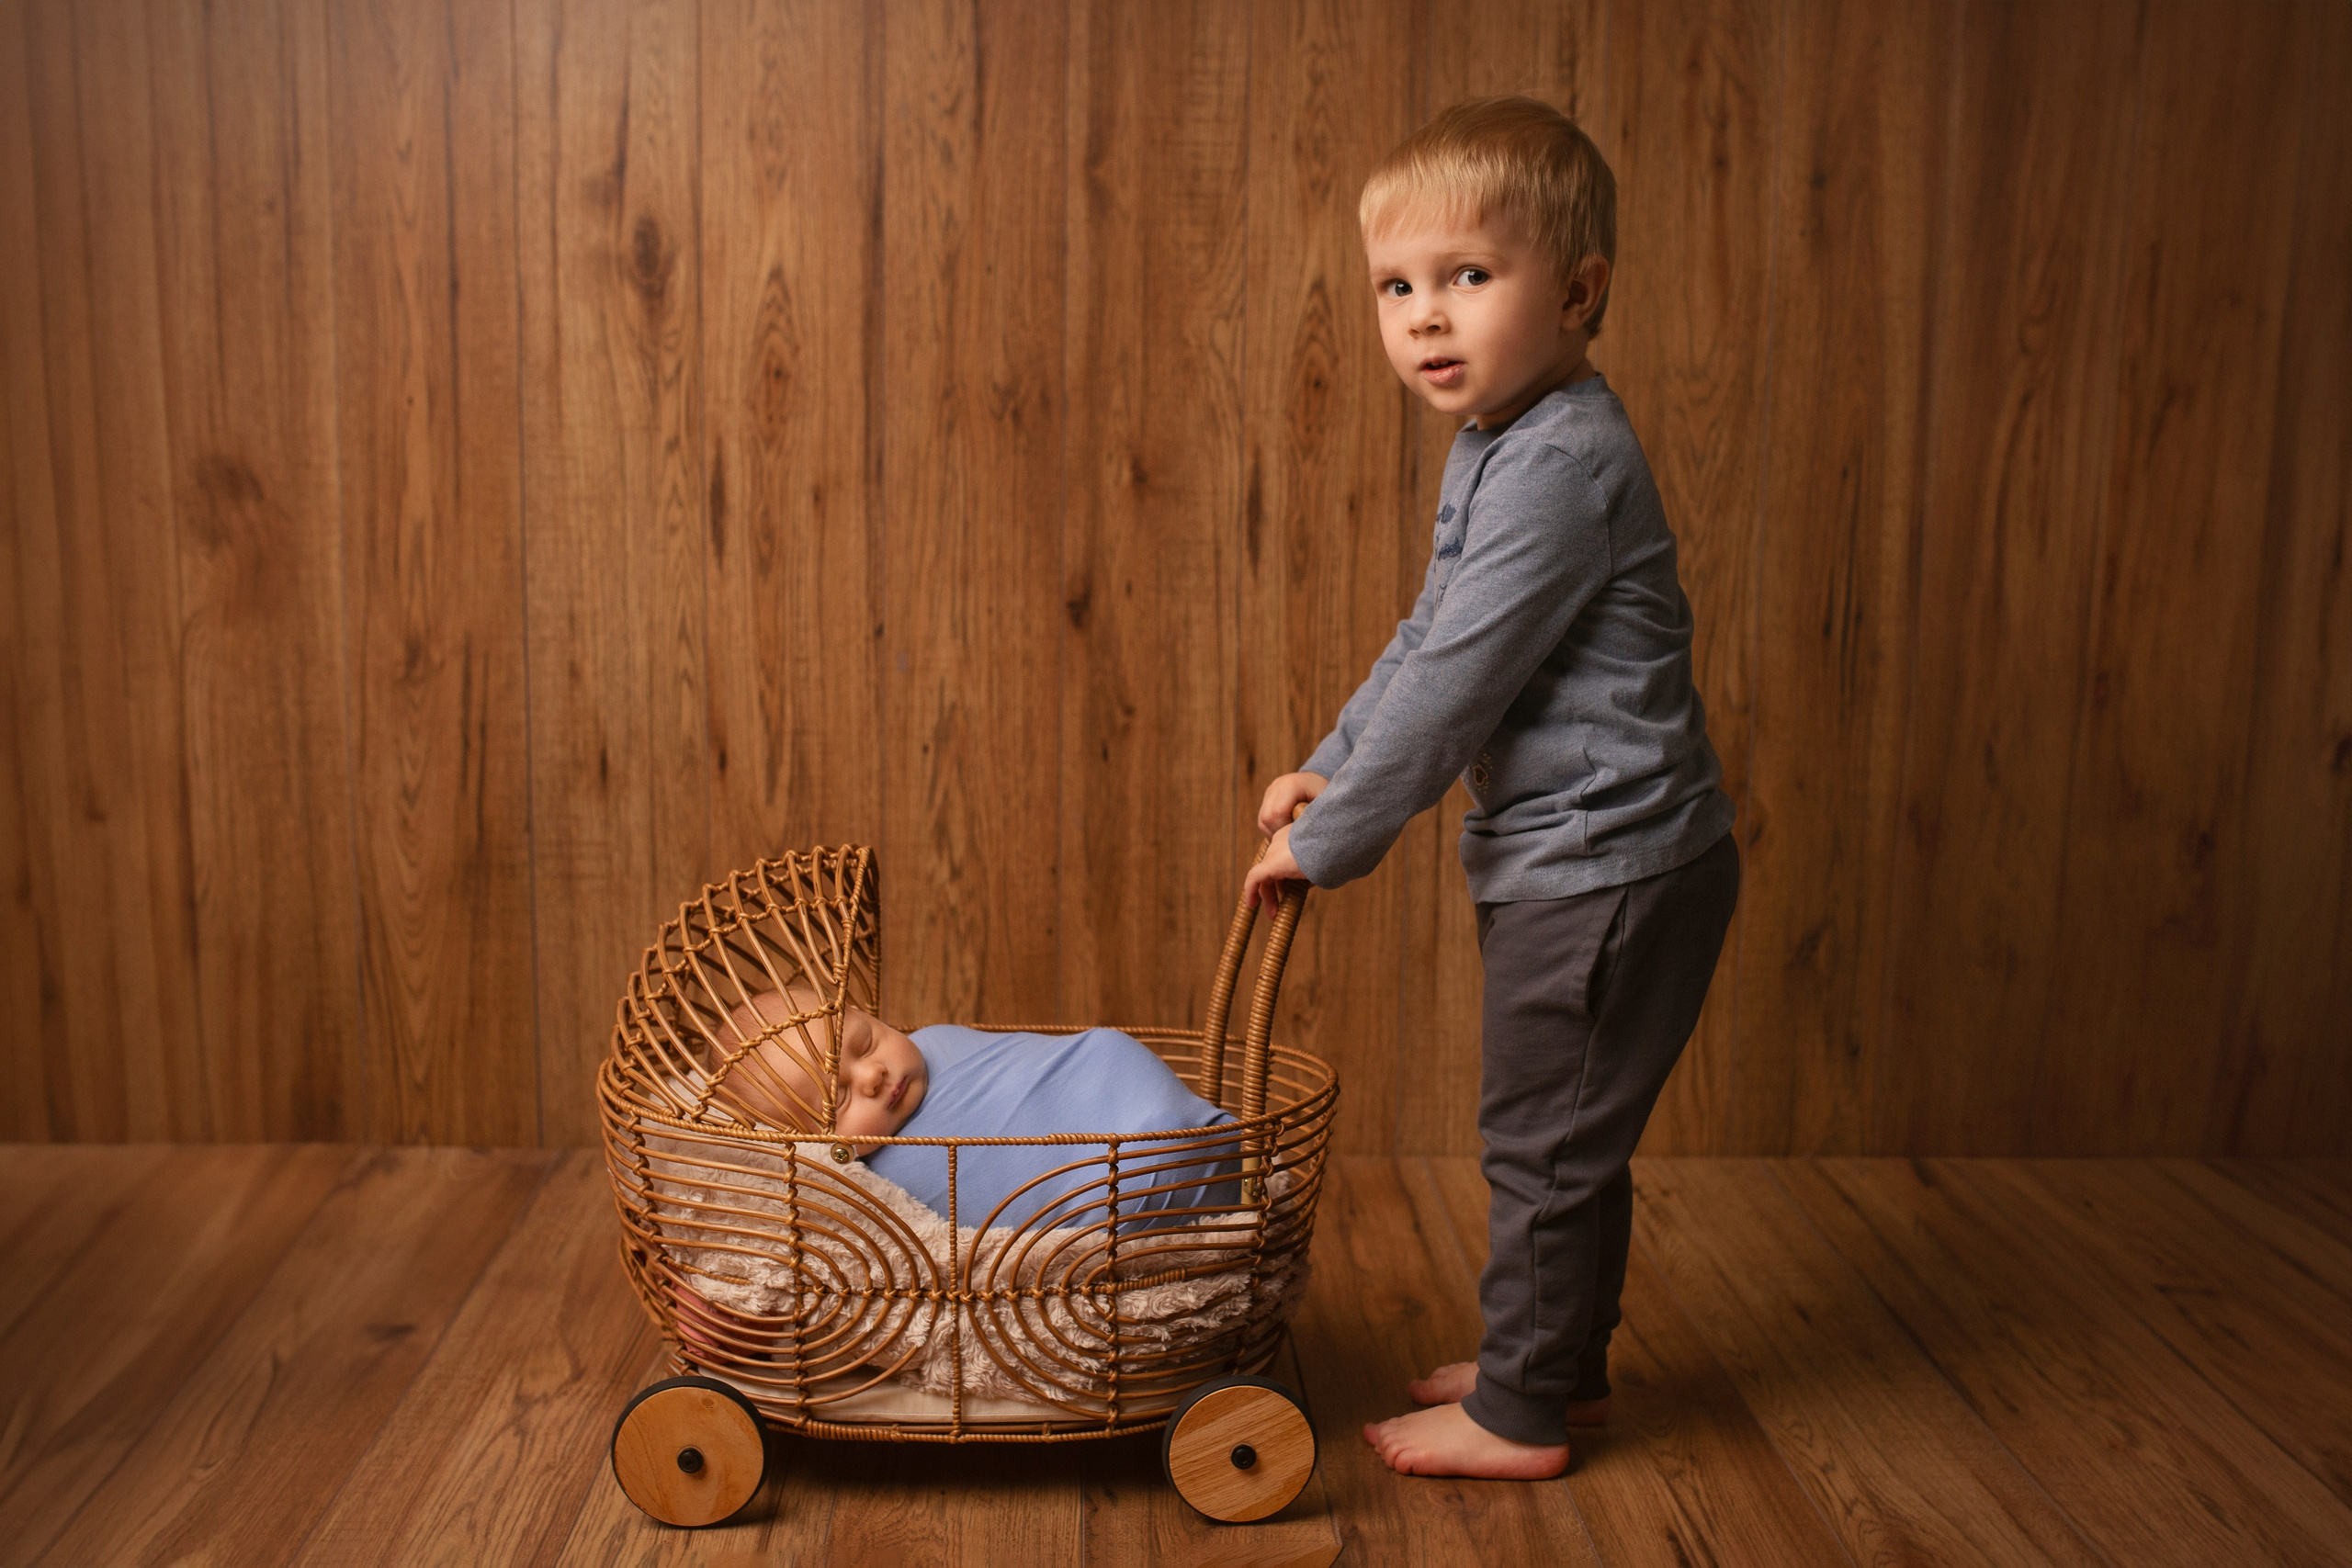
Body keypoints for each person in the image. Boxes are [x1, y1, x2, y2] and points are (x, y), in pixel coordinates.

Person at [1240, 96, 1740, 1481]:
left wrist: (1330, 841)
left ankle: (1522, 1410)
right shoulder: (1505, 444)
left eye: (1469, 276)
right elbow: (1427, 633)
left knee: (1544, 1145)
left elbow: (1462, 680)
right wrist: (1335, 758)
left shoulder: (1559, 465)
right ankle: (1555, 1360)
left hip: (1608, 871)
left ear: (1579, 293)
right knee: (1569, 1135)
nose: (1425, 318)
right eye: (1399, 286)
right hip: (1590, 859)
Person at [714, 987, 1240, 1234]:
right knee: (1142, 1178)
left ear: (869, 1014)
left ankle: (1191, 1140)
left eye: (866, 1042)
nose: (872, 1075)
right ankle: (1193, 1154)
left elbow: (1043, 1068)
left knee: (1118, 1072)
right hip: (1121, 1181)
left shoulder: (935, 1040)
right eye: (842, 1098)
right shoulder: (859, 1185)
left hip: (1108, 1075)